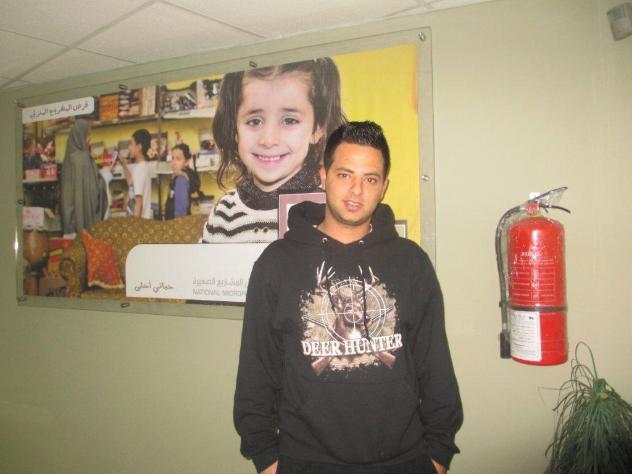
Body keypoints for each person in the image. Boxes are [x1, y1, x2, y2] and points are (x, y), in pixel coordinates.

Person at [234, 121, 463, 474]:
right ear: (323, 176)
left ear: (383, 187)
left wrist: (438, 454)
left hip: (405, 460)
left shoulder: (411, 262)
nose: (356, 190)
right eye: (344, 175)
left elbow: (435, 364)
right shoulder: (277, 263)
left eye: (370, 179)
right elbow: (256, 369)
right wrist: (266, 457)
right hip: (304, 461)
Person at [201, 58, 346, 243]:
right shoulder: (222, 214)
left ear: (317, 129)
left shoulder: (331, 212)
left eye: (289, 120)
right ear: (234, 130)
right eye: (254, 121)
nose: (268, 141)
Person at [61, 119, 107, 236]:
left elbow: (67, 195)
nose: (90, 139)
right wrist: (103, 178)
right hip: (87, 222)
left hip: (71, 224)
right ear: (80, 136)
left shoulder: (69, 158)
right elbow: (95, 189)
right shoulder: (84, 158)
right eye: (87, 135)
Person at [119, 128, 153, 219]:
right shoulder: (142, 166)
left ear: (139, 147)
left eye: (131, 144)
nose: (129, 147)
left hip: (138, 221)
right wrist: (124, 165)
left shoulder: (139, 170)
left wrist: (135, 224)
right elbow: (131, 183)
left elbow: (138, 202)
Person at [164, 143, 197, 219]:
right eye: (172, 158)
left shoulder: (181, 180)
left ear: (186, 162)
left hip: (177, 223)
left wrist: (177, 224)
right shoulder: (177, 177)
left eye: (178, 159)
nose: (174, 163)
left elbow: (181, 209)